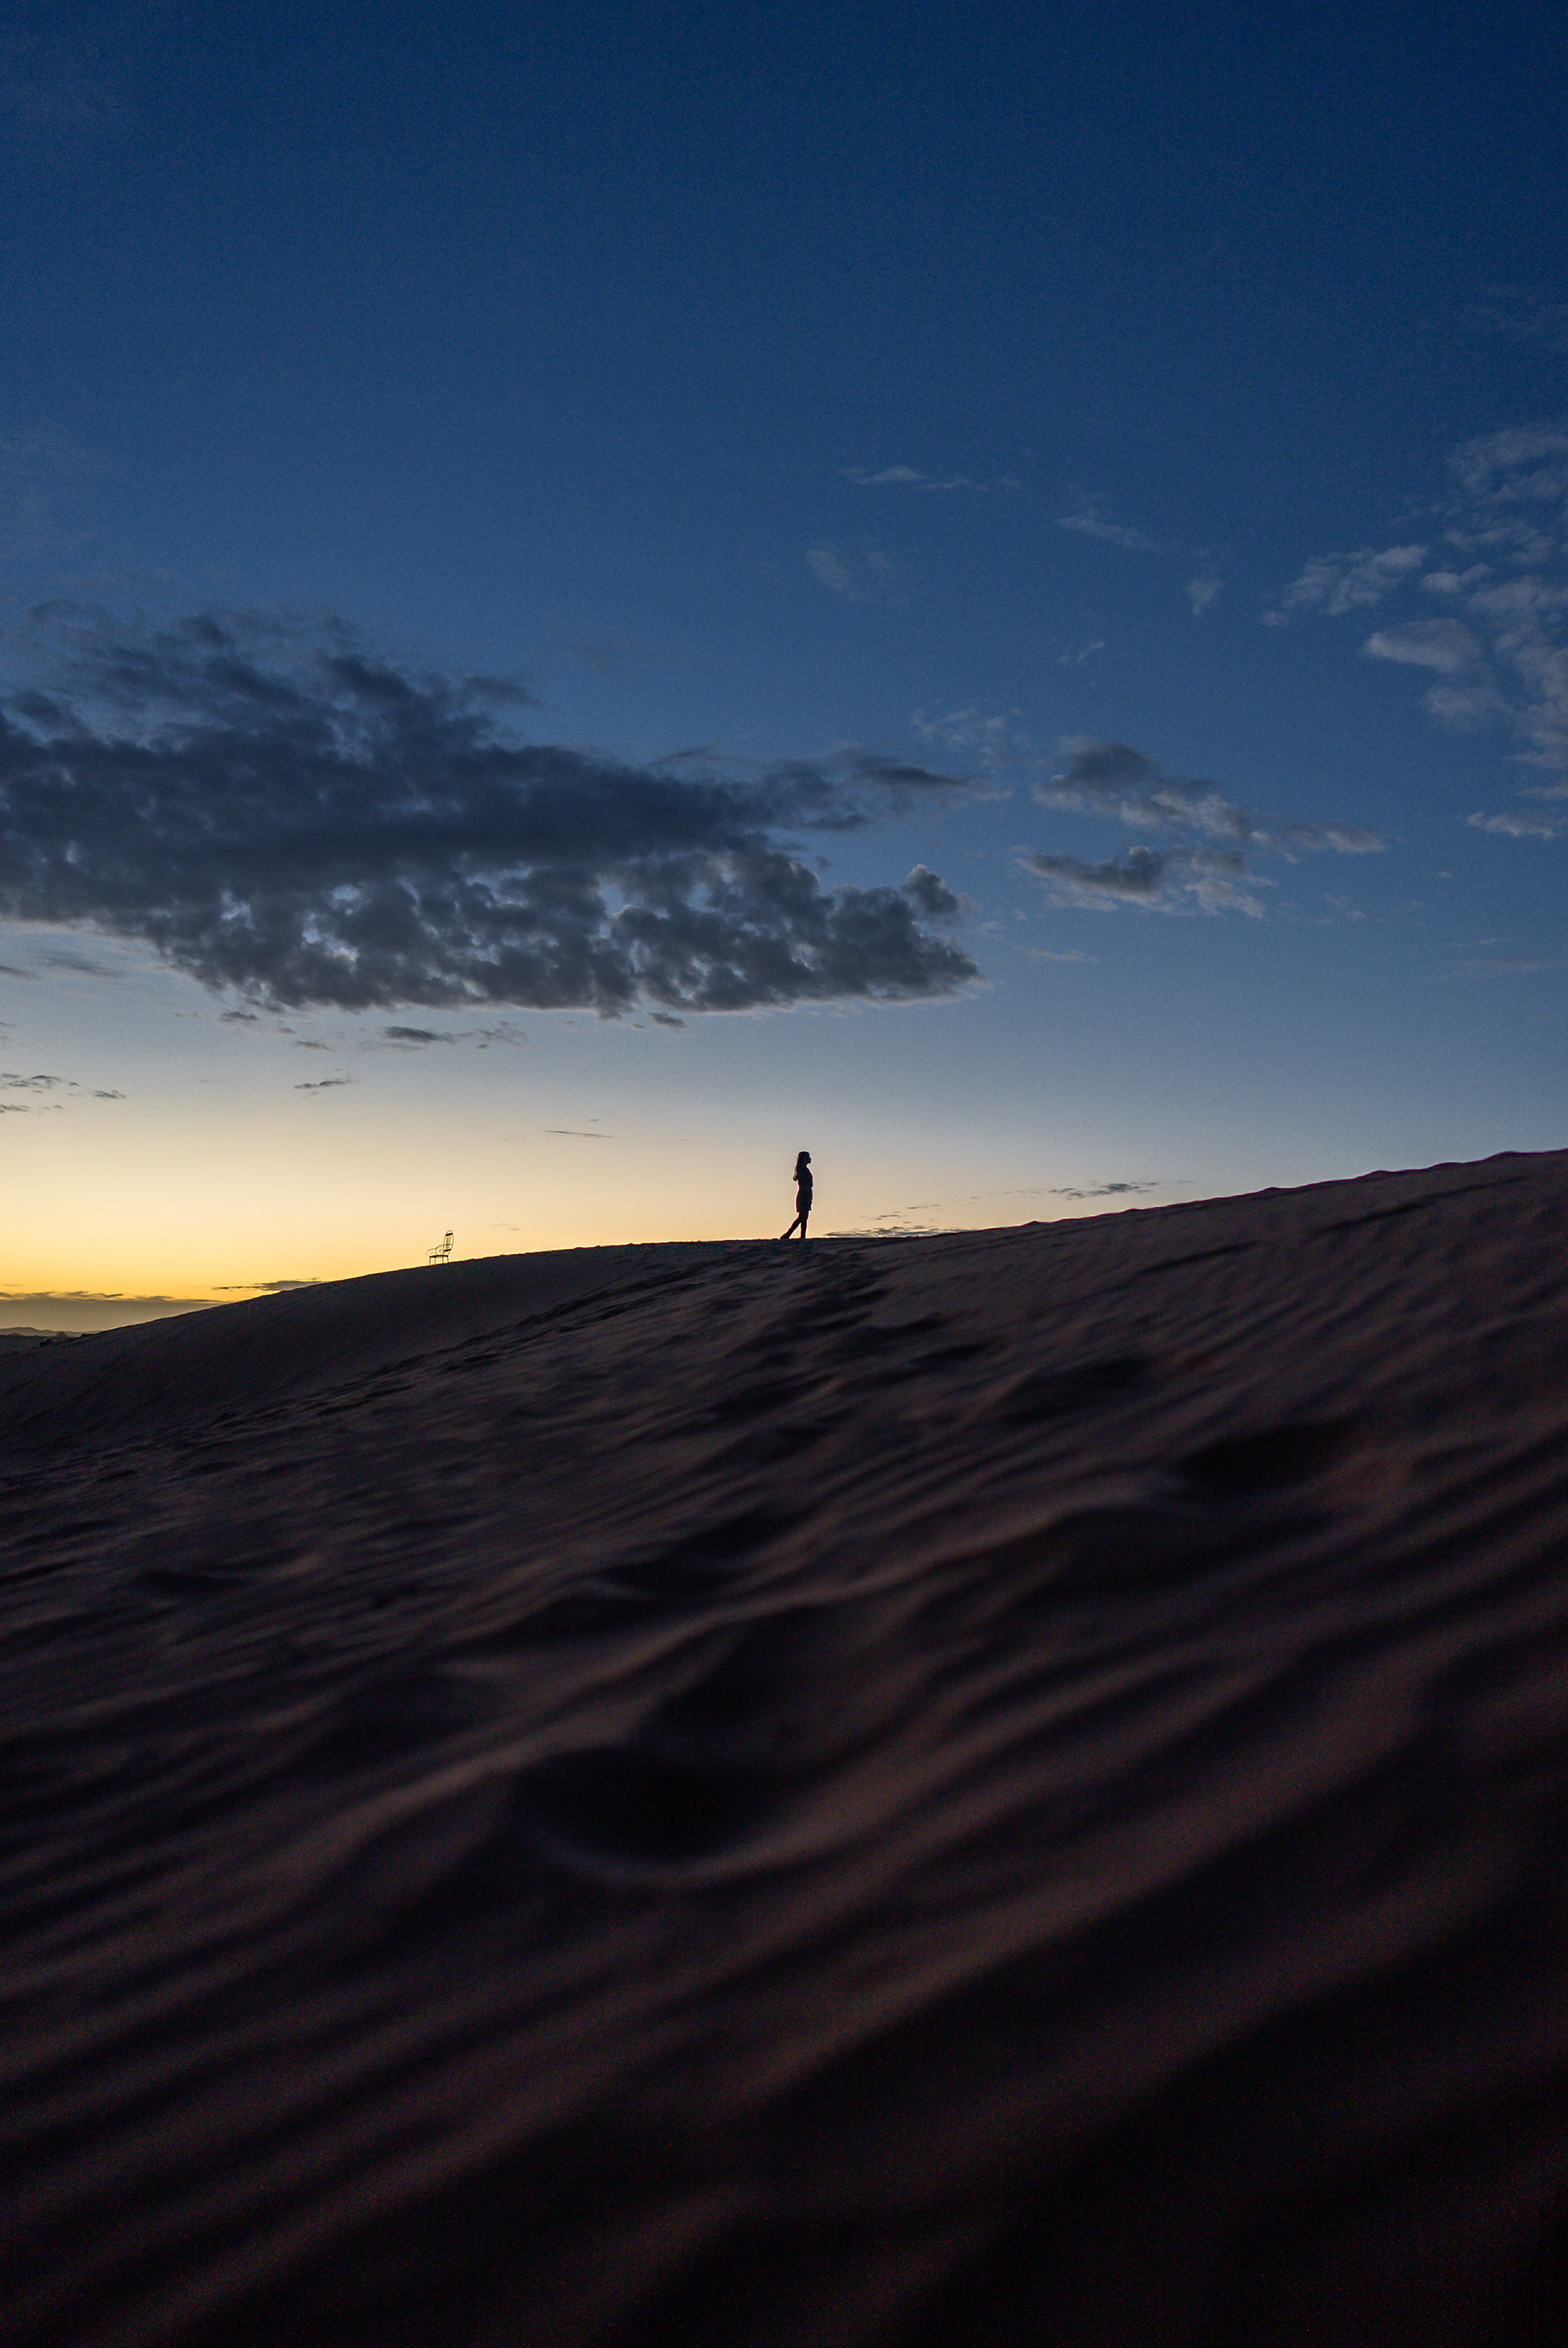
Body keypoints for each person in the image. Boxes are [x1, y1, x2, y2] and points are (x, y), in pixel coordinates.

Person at [780, 1150, 813, 1241]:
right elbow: (805, 1184)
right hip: (804, 1194)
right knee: (803, 1217)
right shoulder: (803, 1170)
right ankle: (796, 1235)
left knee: (803, 1217)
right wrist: (808, 1196)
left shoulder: (803, 1170)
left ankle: (792, 1235)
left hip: (805, 1194)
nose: (810, 1159)